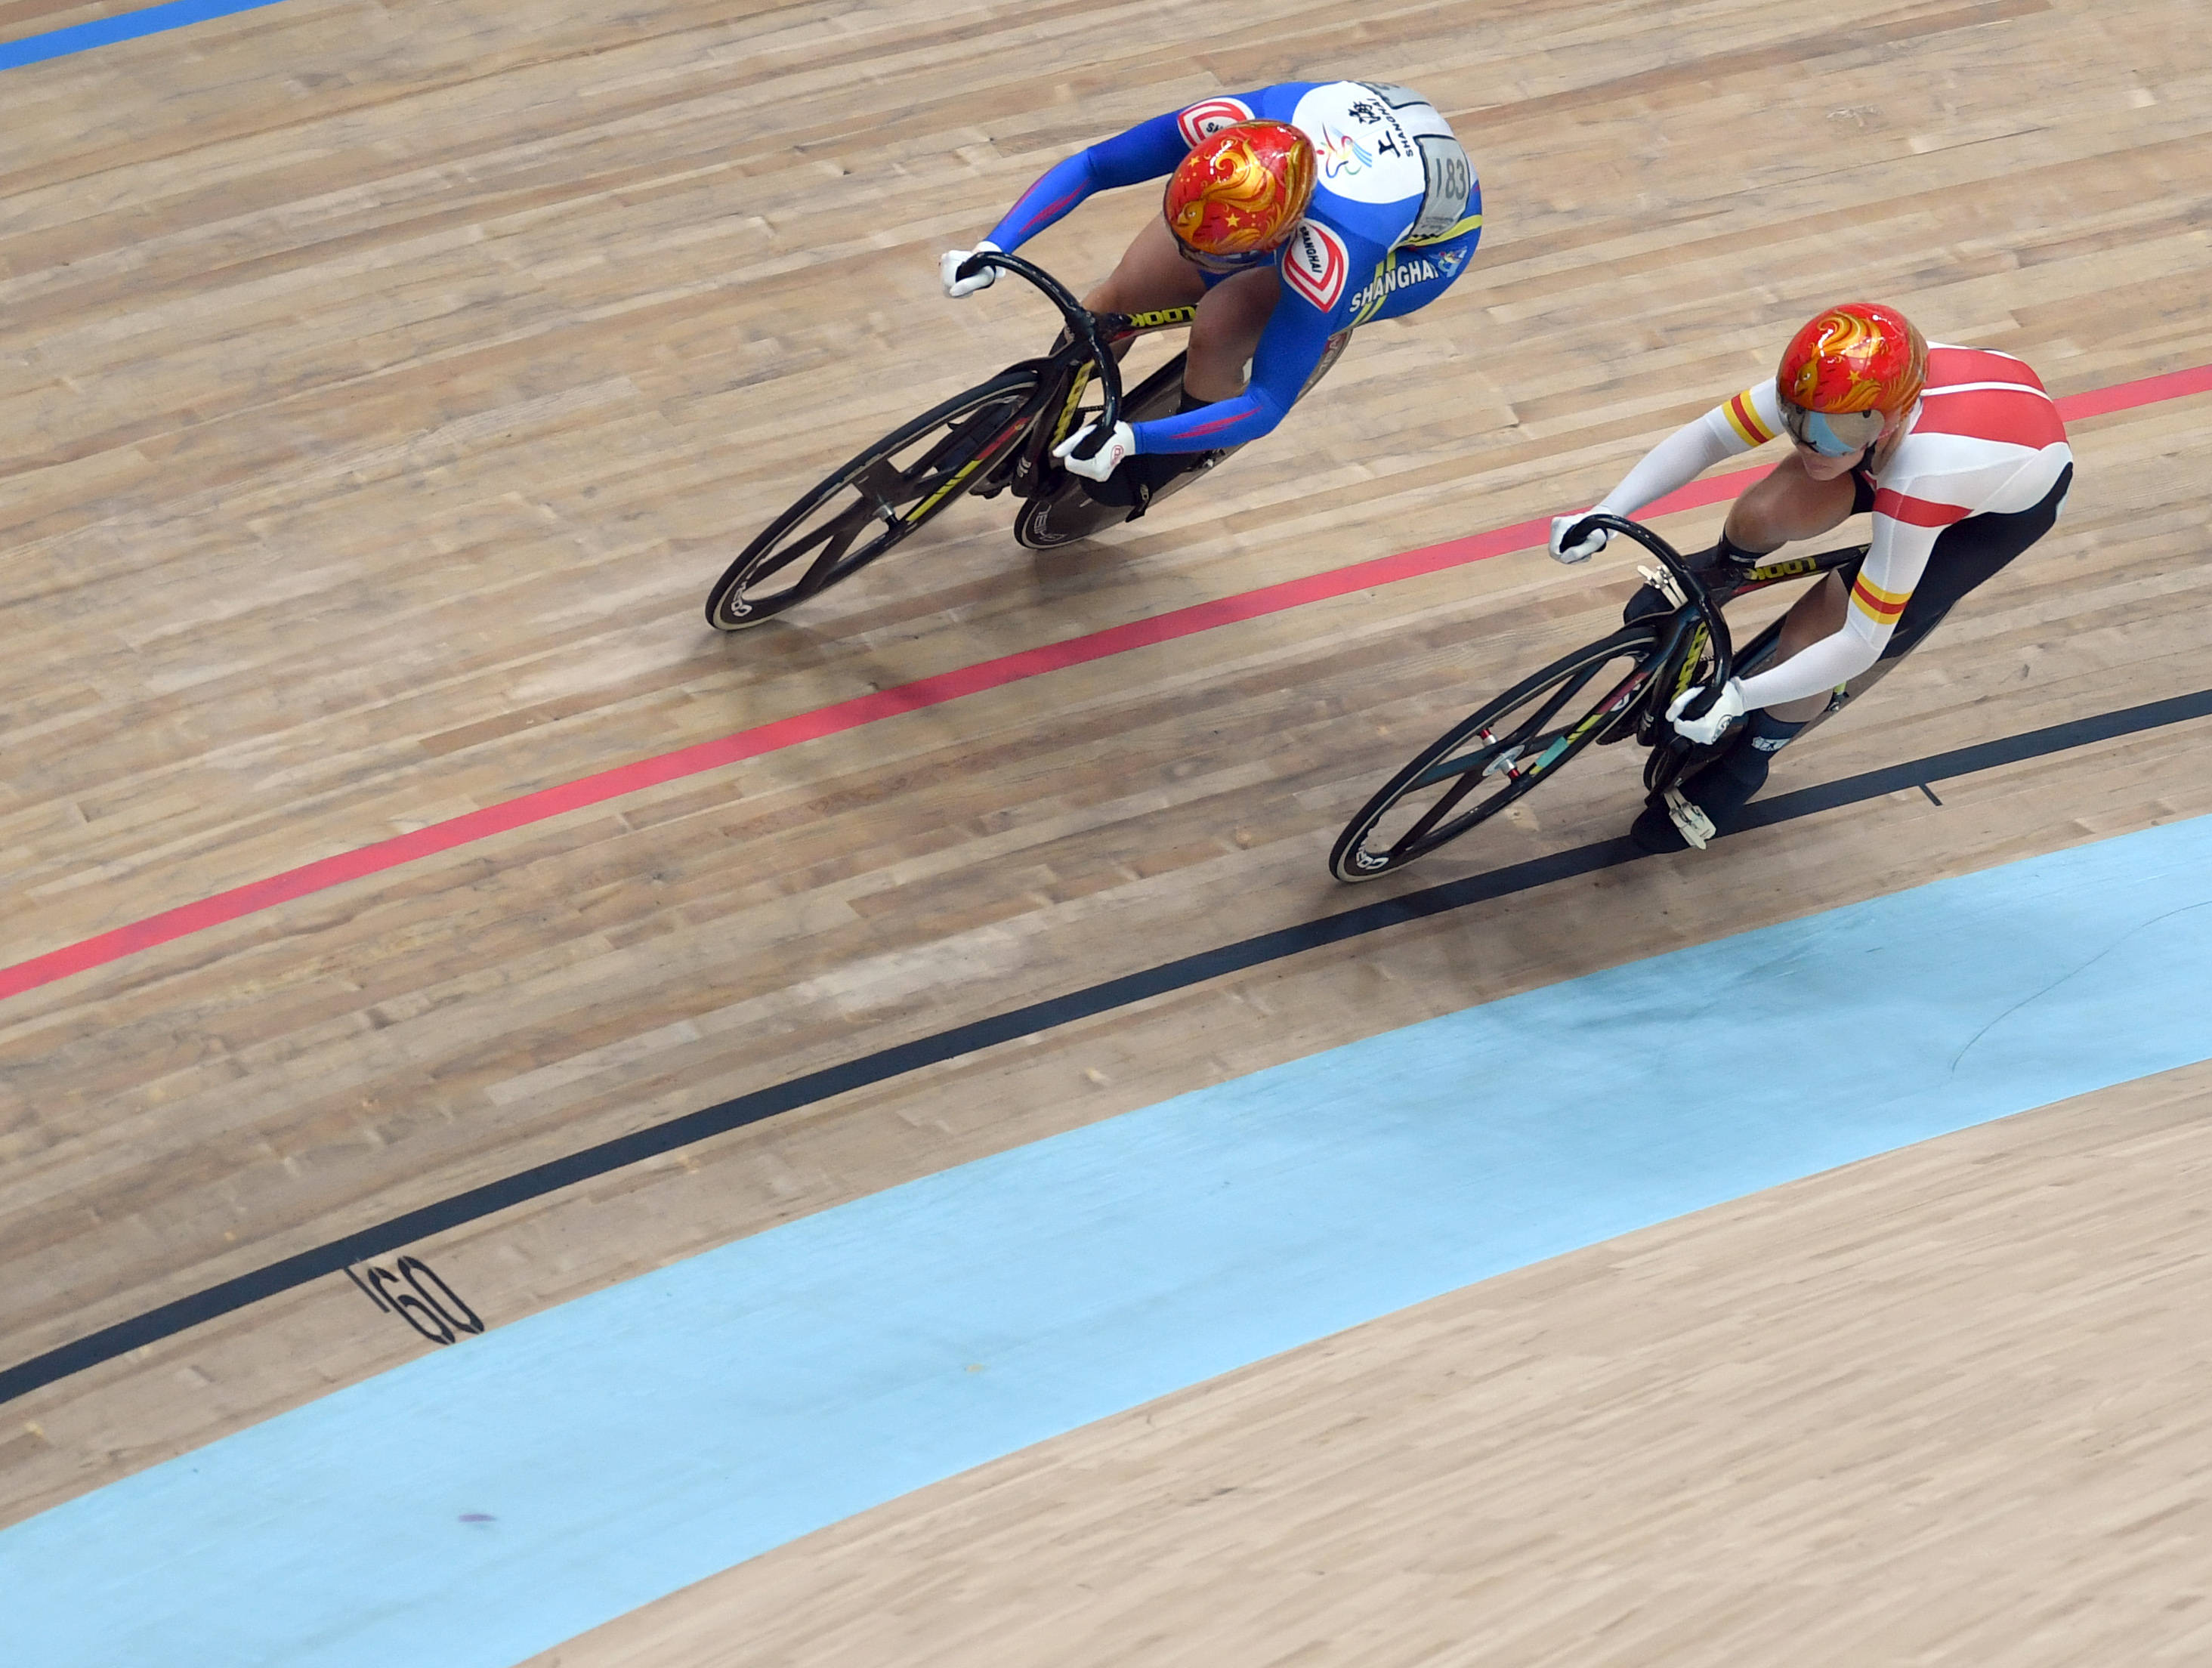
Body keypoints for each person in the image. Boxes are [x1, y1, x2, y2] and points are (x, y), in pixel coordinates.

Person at [1548, 301, 2074, 852]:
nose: (1813, 444)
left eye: (1835, 432)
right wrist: (1606, 512)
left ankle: (1750, 763)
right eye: (1798, 423)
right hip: (1908, 445)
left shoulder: (1923, 478)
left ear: (1888, 418)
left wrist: (1738, 697)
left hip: (1988, 510)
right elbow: (1708, 438)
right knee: (1762, 512)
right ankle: (1720, 576)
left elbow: (1860, 643)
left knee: (1812, 636)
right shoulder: (1829, 389)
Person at [939, 82, 1482, 512]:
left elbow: (1266, 405)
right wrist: (993, 245)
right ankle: (1035, 419)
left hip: (1421, 252)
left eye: (1207, 254)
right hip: (1321, 170)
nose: (1189, 256)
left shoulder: (1330, 253)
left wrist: (1135, 441)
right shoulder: (1228, 123)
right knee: (1114, 300)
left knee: (1222, 324)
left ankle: (1176, 455)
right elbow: (1096, 166)